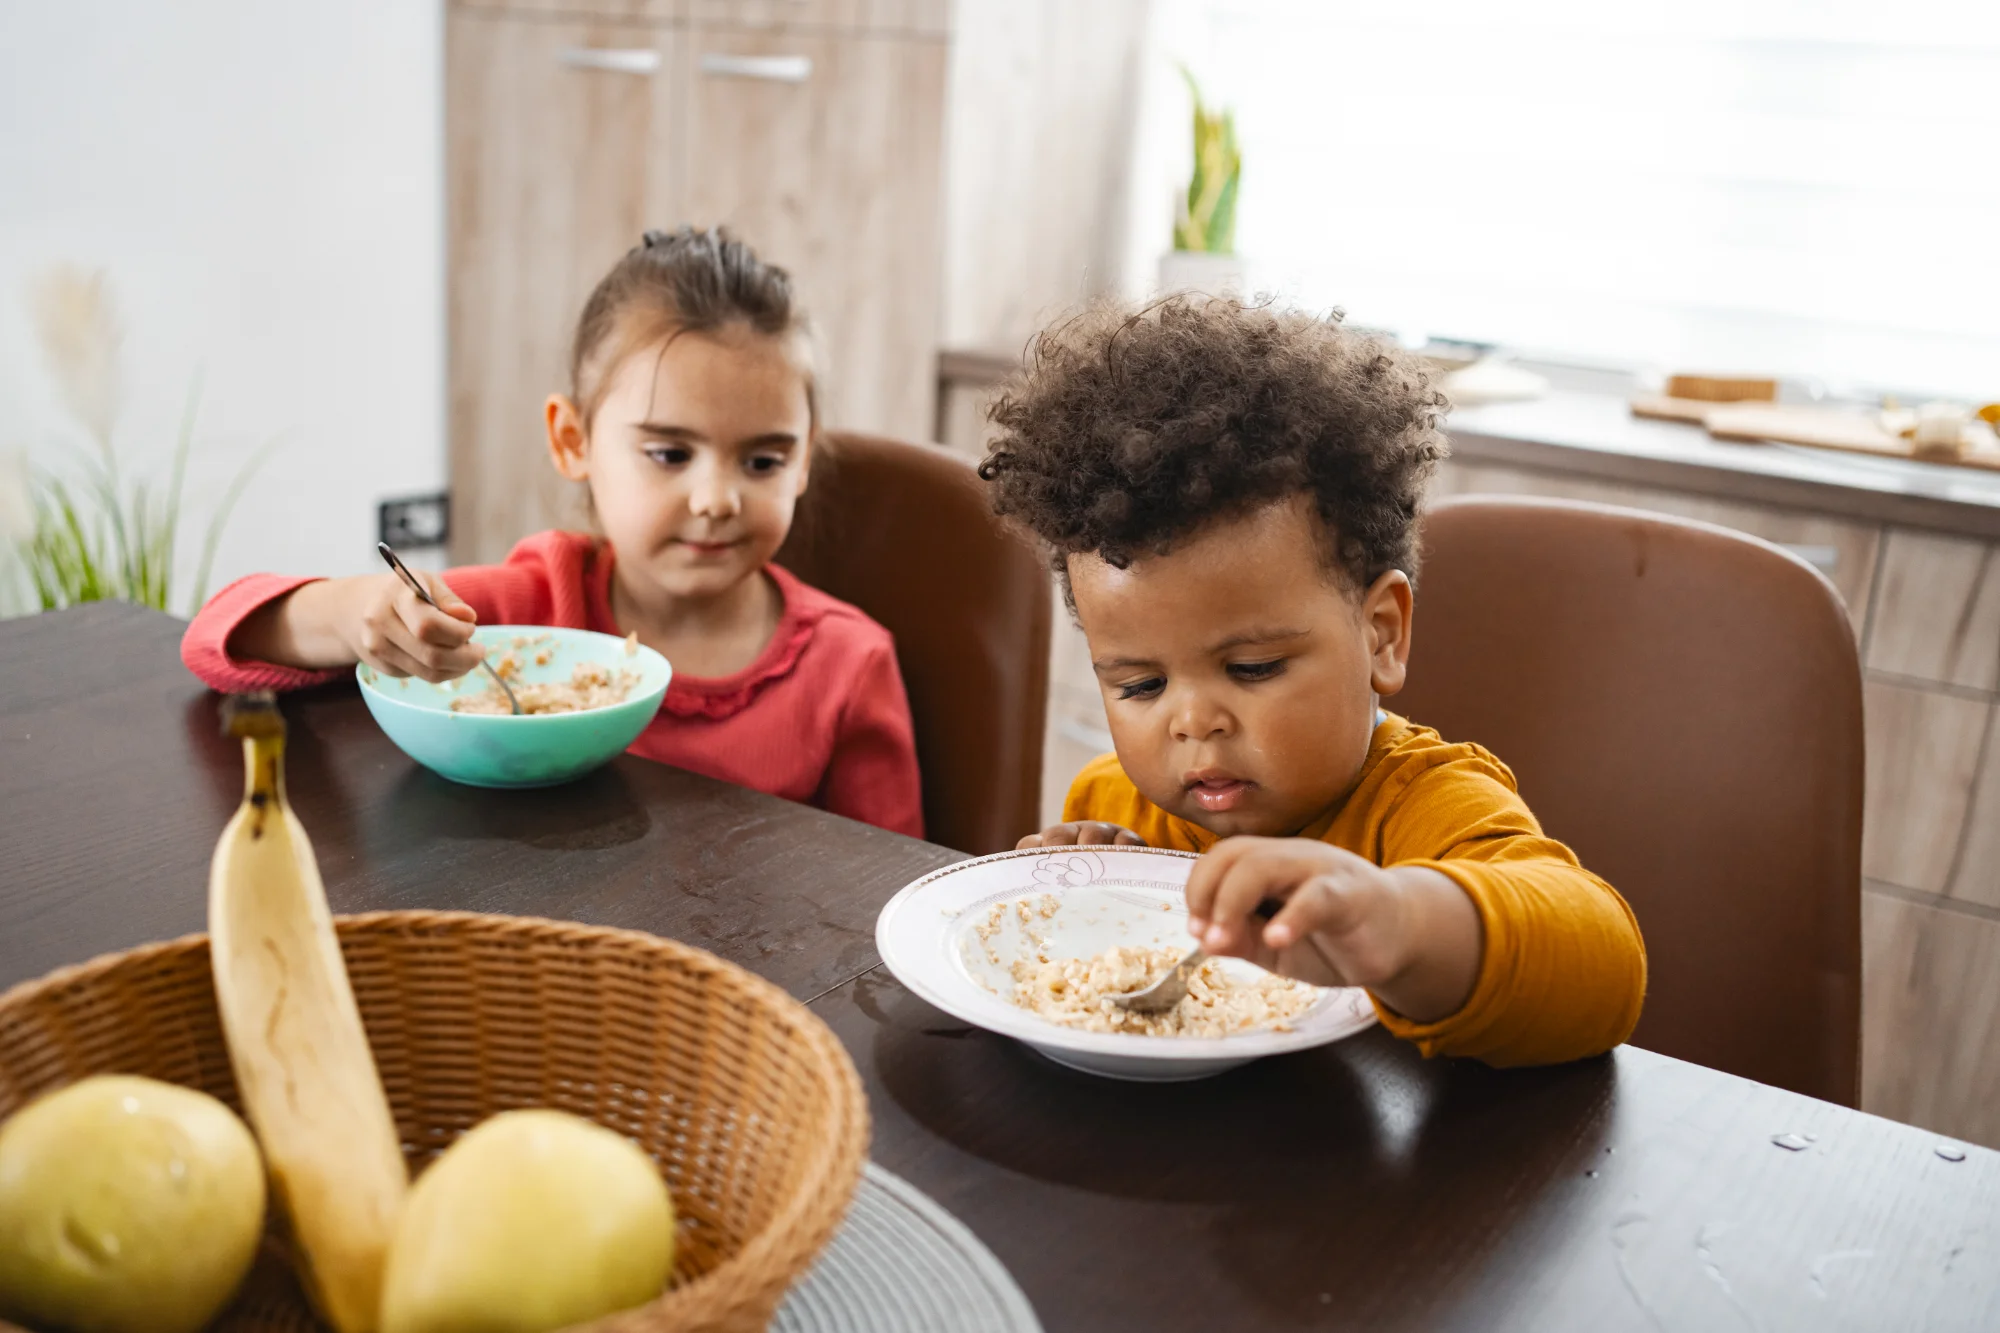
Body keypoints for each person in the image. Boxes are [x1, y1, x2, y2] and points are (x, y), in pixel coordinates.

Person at [980, 296, 1644, 1065]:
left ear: (1381, 633)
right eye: (1140, 685)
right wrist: (1084, 883)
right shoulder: (1112, 804)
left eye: (1251, 667)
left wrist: (1397, 921)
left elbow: (1606, 966)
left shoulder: (1424, 806)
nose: (1194, 721)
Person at [182, 227, 923, 837]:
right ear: (573, 440)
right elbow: (215, 640)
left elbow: (894, 898)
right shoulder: (517, 617)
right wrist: (350, 614)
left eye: (764, 459)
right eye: (668, 453)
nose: (716, 498)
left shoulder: (847, 666)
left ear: (803, 461)